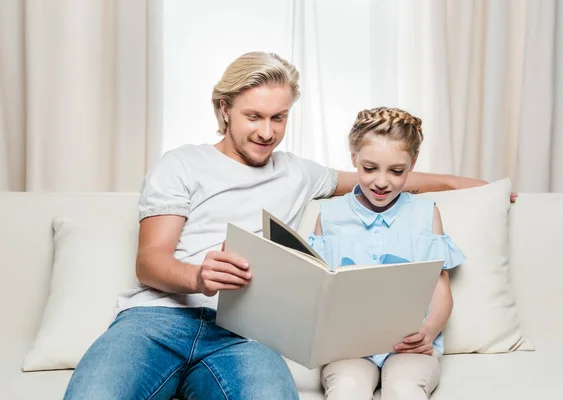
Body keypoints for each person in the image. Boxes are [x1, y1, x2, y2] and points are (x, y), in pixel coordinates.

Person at [64, 52, 488, 400]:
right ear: (224, 109)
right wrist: (197, 275)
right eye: (254, 116)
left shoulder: (299, 173)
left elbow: (378, 176)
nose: (268, 132)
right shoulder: (182, 163)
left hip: (243, 332)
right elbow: (149, 261)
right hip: (155, 320)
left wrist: (459, 183)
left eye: (279, 118)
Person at [309, 107, 465, 400]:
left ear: (413, 163)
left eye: (396, 171)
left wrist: (429, 332)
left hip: (409, 345)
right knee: (346, 389)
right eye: (369, 169)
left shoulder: (425, 214)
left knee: (404, 389)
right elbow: (318, 289)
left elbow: (440, 288)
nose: (381, 182)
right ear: (353, 157)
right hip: (349, 346)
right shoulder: (329, 215)